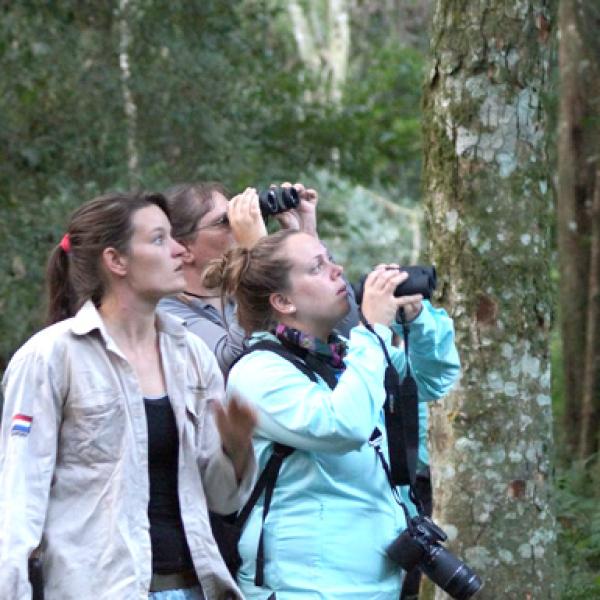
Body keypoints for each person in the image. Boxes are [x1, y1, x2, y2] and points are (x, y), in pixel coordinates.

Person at [0, 191, 257, 600]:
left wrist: (237, 449)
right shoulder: (50, 357)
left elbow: (223, 501)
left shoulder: (192, 356)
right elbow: (19, 501)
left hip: (195, 587)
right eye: (158, 239)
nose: (179, 250)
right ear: (115, 260)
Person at [203, 229, 461, 599]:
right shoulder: (258, 373)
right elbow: (344, 425)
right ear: (283, 301)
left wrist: (417, 321)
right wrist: (372, 331)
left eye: (330, 259)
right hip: (304, 587)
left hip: (373, 586)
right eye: (317, 267)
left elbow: (432, 379)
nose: (337, 270)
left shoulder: (343, 356)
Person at [158, 182, 359, 377]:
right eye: (225, 221)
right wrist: (252, 252)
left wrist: (306, 236)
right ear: (183, 248)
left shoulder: (237, 293)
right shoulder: (166, 313)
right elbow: (235, 360)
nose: (238, 226)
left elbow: (345, 328)